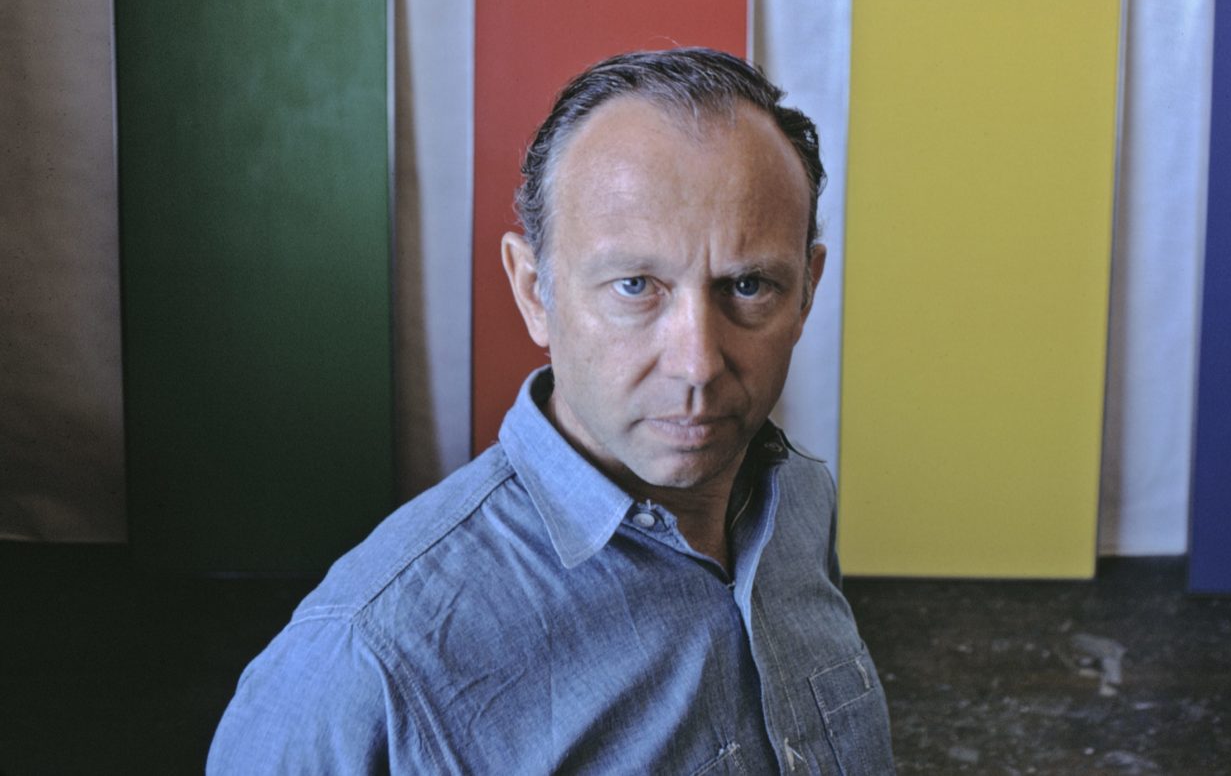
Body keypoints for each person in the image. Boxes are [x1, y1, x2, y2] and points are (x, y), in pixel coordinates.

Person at [208, 48, 895, 774]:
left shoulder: (800, 500)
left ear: (808, 291)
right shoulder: (363, 660)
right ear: (535, 291)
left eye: (749, 285)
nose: (697, 363)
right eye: (636, 285)